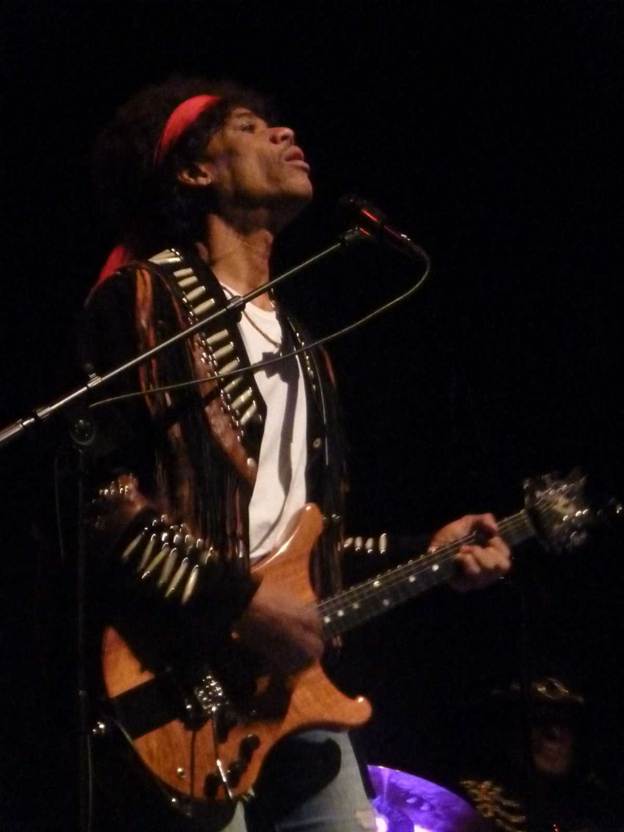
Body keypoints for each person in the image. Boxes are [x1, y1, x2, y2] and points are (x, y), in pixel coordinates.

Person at [81, 76, 511, 832]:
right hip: (179, 686)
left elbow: (311, 549)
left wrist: (428, 551)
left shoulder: (309, 352)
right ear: (195, 171)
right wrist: (239, 603)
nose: (284, 134)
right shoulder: (145, 299)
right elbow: (101, 501)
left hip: (292, 691)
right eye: (249, 128)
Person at [459, 677, 622, 832]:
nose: (554, 733)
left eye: (565, 721)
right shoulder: (470, 805)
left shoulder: (600, 808)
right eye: (540, 719)